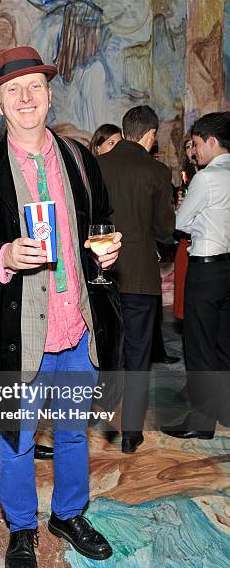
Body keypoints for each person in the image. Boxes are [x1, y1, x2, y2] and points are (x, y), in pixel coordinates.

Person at [0, 45, 123, 568]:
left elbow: (103, 222)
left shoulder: (79, 158)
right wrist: (2, 255)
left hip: (76, 329)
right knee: (17, 438)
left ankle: (69, 515)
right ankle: (22, 528)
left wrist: (109, 250)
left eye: (35, 87)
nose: (25, 98)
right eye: (12, 91)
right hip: (16, 334)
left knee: (73, 434)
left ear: (49, 95)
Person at [97, 105, 175, 453]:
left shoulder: (97, 165)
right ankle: (130, 433)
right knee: (138, 354)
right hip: (141, 277)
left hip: (101, 274)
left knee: (103, 351)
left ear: (126, 130)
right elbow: (164, 231)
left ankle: (95, 416)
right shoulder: (157, 171)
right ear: (151, 134)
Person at [161, 112, 230, 438]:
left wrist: (186, 210)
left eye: (198, 144)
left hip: (206, 267)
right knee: (224, 344)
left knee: (200, 347)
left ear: (212, 141)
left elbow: (181, 223)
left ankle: (201, 424)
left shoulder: (205, 178)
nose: (195, 151)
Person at [173, 136, 198, 321]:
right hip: (185, 240)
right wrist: (179, 206)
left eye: (194, 145)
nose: (192, 150)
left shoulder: (207, 175)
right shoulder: (186, 177)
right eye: (188, 146)